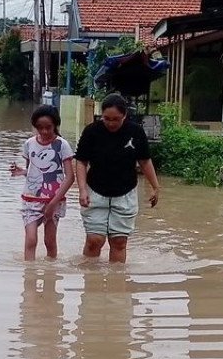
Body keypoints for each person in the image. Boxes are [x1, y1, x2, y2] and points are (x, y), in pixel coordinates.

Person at [47, 94, 160, 263]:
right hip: (95, 192)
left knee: (119, 242)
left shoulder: (135, 132)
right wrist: (83, 189)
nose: (111, 123)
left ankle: (117, 285)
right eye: (107, 118)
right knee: (94, 241)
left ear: (125, 116)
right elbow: (81, 162)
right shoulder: (92, 131)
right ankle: (91, 284)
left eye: (116, 119)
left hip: (125, 194)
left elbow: (144, 161)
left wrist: (155, 187)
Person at [11, 105, 75, 261]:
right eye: (40, 128)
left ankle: (50, 277)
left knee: (50, 241)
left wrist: (53, 203)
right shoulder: (29, 144)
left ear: (55, 125)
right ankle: (29, 276)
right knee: (31, 239)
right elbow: (34, 171)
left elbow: (70, 177)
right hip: (31, 199)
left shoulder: (62, 145)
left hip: (54, 200)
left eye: (48, 127)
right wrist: (22, 172)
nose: (44, 131)